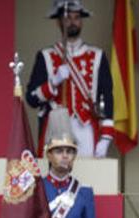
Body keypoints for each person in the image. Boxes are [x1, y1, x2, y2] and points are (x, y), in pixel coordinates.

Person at [25, 0, 113, 158]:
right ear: (59, 22)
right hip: (55, 125)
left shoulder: (97, 56)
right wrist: (53, 82)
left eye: (77, 17)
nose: (73, 22)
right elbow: (31, 98)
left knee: (88, 175)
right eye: (68, 18)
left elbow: (107, 96)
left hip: (86, 126)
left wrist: (106, 136)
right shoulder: (46, 56)